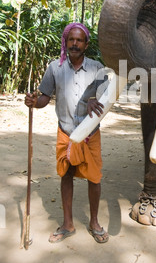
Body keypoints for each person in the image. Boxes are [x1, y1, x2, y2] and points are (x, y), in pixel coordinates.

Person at [25, 22, 109, 244]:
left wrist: (94, 100)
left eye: (79, 40)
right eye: (71, 40)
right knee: (66, 175)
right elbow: (45, 96)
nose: (74, 44)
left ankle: (94, 222)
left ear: (86, 44)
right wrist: (35, 102)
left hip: (90, 132)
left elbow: (107, 97)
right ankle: (68, 224)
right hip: (66, 131)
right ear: (66, 42)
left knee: (94, 178)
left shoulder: (97, 68)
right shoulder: (55, 68)